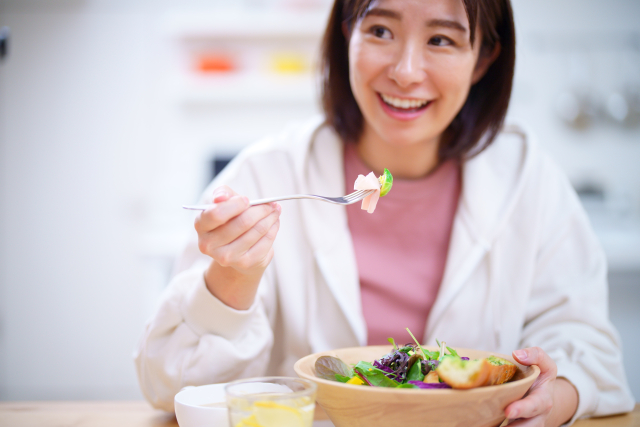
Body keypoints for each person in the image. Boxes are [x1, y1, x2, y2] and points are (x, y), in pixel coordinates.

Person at [134, 0, 635, 425]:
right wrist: (233, 277)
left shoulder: (529, 181)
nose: (406, 71)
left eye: (441, 40)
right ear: (347, 33)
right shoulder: (268, 176)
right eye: (380, 30)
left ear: (483, 58)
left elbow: (590, 350)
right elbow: (170, 386)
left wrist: (554, 398)